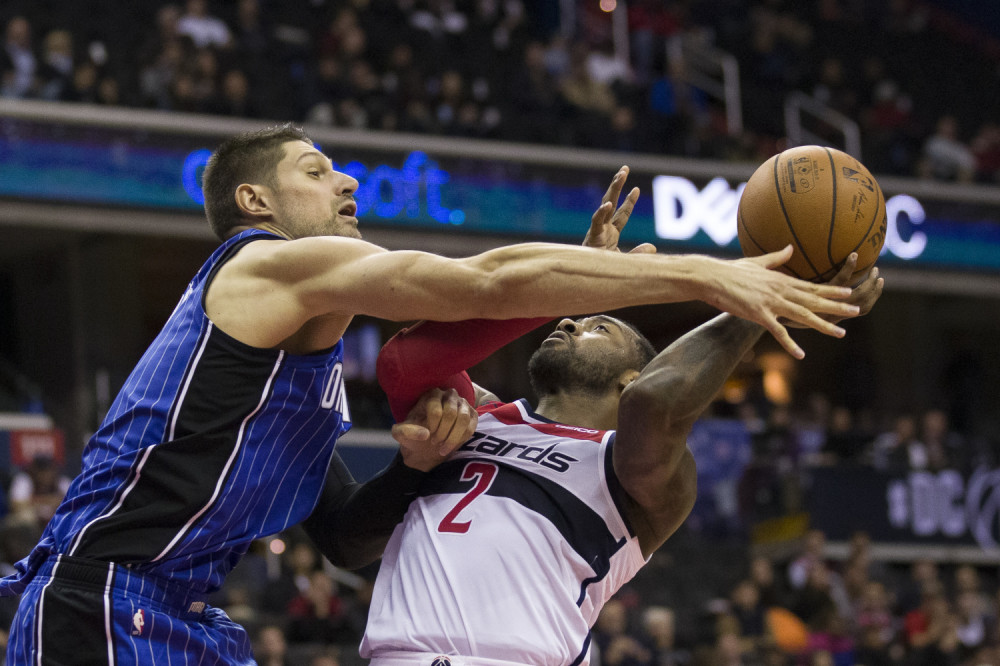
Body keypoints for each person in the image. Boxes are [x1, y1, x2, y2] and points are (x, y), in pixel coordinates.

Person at [0, 123, 857, 664]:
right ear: (256, 201)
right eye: (317, 171)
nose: (347, 184)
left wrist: (416, 467)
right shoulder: (263, 263)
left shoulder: (302, 385)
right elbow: (481, 284)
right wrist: (708, 276)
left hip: (186, 618)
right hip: (104, 595)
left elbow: (344, 535)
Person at [357, 239, 882, 662]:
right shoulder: (480, 414)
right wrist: (565, 284)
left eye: (597, 326)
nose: (569, 322)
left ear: (632, 376)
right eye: (572, 316)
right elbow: (404, 361)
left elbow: (653, 400)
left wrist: (758, 305)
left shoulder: (634, 470)